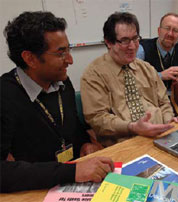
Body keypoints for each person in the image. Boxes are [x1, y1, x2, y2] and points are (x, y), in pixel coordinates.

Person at [0, 11, 114, 193]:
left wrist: (85, 144)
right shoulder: (5, 96)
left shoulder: (62, 82)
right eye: (61, 53)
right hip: (32, 191)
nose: (70, 60)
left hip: (71, 185)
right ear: (30, 58)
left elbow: (71, 127)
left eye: (69, 49)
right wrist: (72, 171)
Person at [80, 12, 178, 147]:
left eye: (135, 39)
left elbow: (164, 103)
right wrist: (133, 127)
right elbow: (98, 120)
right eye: (124, 41)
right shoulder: (94, 74)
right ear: (108, 42)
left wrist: (167, 123)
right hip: (125, 144)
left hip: (161, 137)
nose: (132, 46)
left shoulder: (146, 68)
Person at [137, 13, 178, 114]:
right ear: (159, 31)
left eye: (175, 30)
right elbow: (133, 76)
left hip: (175, 101)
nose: (170, 34)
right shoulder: (142, 49)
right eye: (167, 28)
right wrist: (160, 75)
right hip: (149, 102)